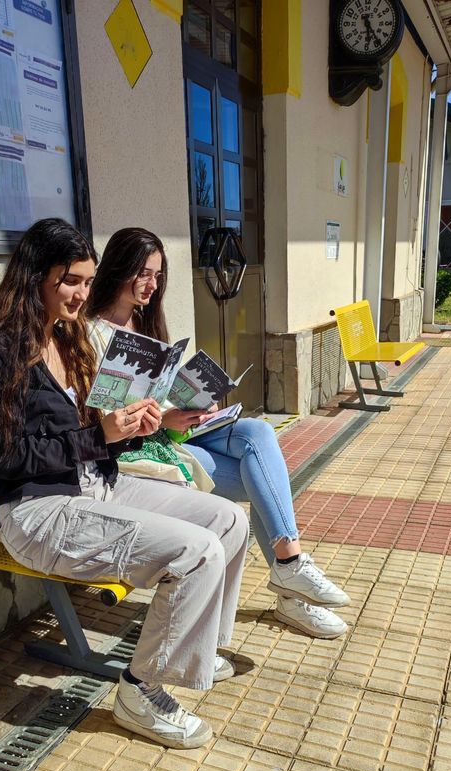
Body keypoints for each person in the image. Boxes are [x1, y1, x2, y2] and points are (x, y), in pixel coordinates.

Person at [0, 218, 250, 750]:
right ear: (35, 276)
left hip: (94, 484)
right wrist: (97, 436)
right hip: (34, 510)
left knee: (227, 519)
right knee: (196, 552)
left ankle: (194, 649)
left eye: (87, 281)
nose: (81, 294)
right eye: (70, 281)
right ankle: (141, 690)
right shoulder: (2, 352)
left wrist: (136, 426)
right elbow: (4, 456)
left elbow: (92, 434)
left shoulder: (70, 340)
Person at [87, 227, 351, 639]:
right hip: (135, 452)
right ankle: (292, 589)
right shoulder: (90, 333)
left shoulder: (145, 324)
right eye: (142, 272)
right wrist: (167, 419)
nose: (151, 285)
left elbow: (162, 392)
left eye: (157, 275)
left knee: (257, 433)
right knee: (260, 477)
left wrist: (195, 404)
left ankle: (290, 567)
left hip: (171, 434)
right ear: (117, 268)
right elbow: (104, 418)